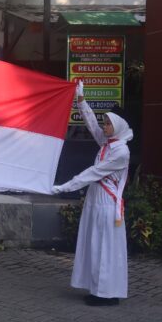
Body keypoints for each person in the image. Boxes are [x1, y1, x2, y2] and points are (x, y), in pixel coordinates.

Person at [52, 81, 132, 306]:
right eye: (105, 123)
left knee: (106, 246)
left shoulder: (121, 152)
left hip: (107, 203)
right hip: (96, 200)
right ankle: (97, 288)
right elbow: (91, 124)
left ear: (117, 127)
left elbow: (94, 172)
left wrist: (64, 187)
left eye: (108, 124)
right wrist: (81, 100)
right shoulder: (108, 143)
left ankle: (107, 293)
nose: (104, 127)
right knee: (95, 244)